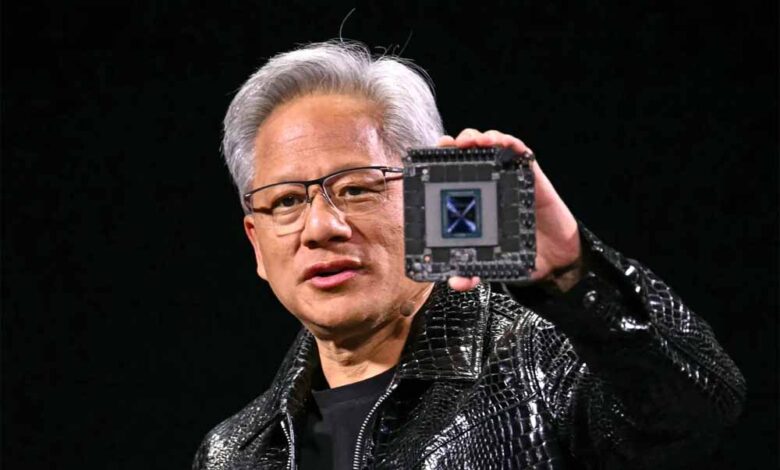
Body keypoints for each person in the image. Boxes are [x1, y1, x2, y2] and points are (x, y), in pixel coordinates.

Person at [193, 41, 745, 470]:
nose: (321, 227)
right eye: (287, 201)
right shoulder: (233, 452)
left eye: (356, 188)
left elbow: (697, 407)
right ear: (257, 243)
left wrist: (575, 271)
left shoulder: (543, 364)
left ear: (428, 196)